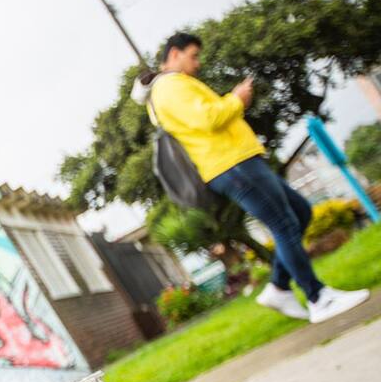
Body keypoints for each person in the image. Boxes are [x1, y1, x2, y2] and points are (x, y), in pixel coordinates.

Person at [143, 32, 369, 324]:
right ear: (174, 54)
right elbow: (207, 119)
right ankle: (318, 298)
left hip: (238, 161)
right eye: (193, 56)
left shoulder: (174, 86)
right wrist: (237, 99)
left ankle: (278, 287)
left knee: (299, 212)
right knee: (284, 224)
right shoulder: (170, 86)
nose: (197, 63)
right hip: (232, 165)